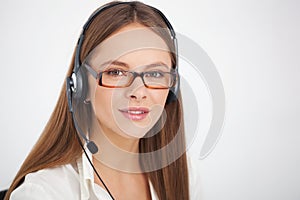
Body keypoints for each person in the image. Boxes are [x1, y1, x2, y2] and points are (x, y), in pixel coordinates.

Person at [5, 1, 200, 200]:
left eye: (156, 73)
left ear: (172, 87)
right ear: (80, 85)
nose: (138, 92)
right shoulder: (44, 192)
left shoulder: (184, 172)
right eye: (116, 72)